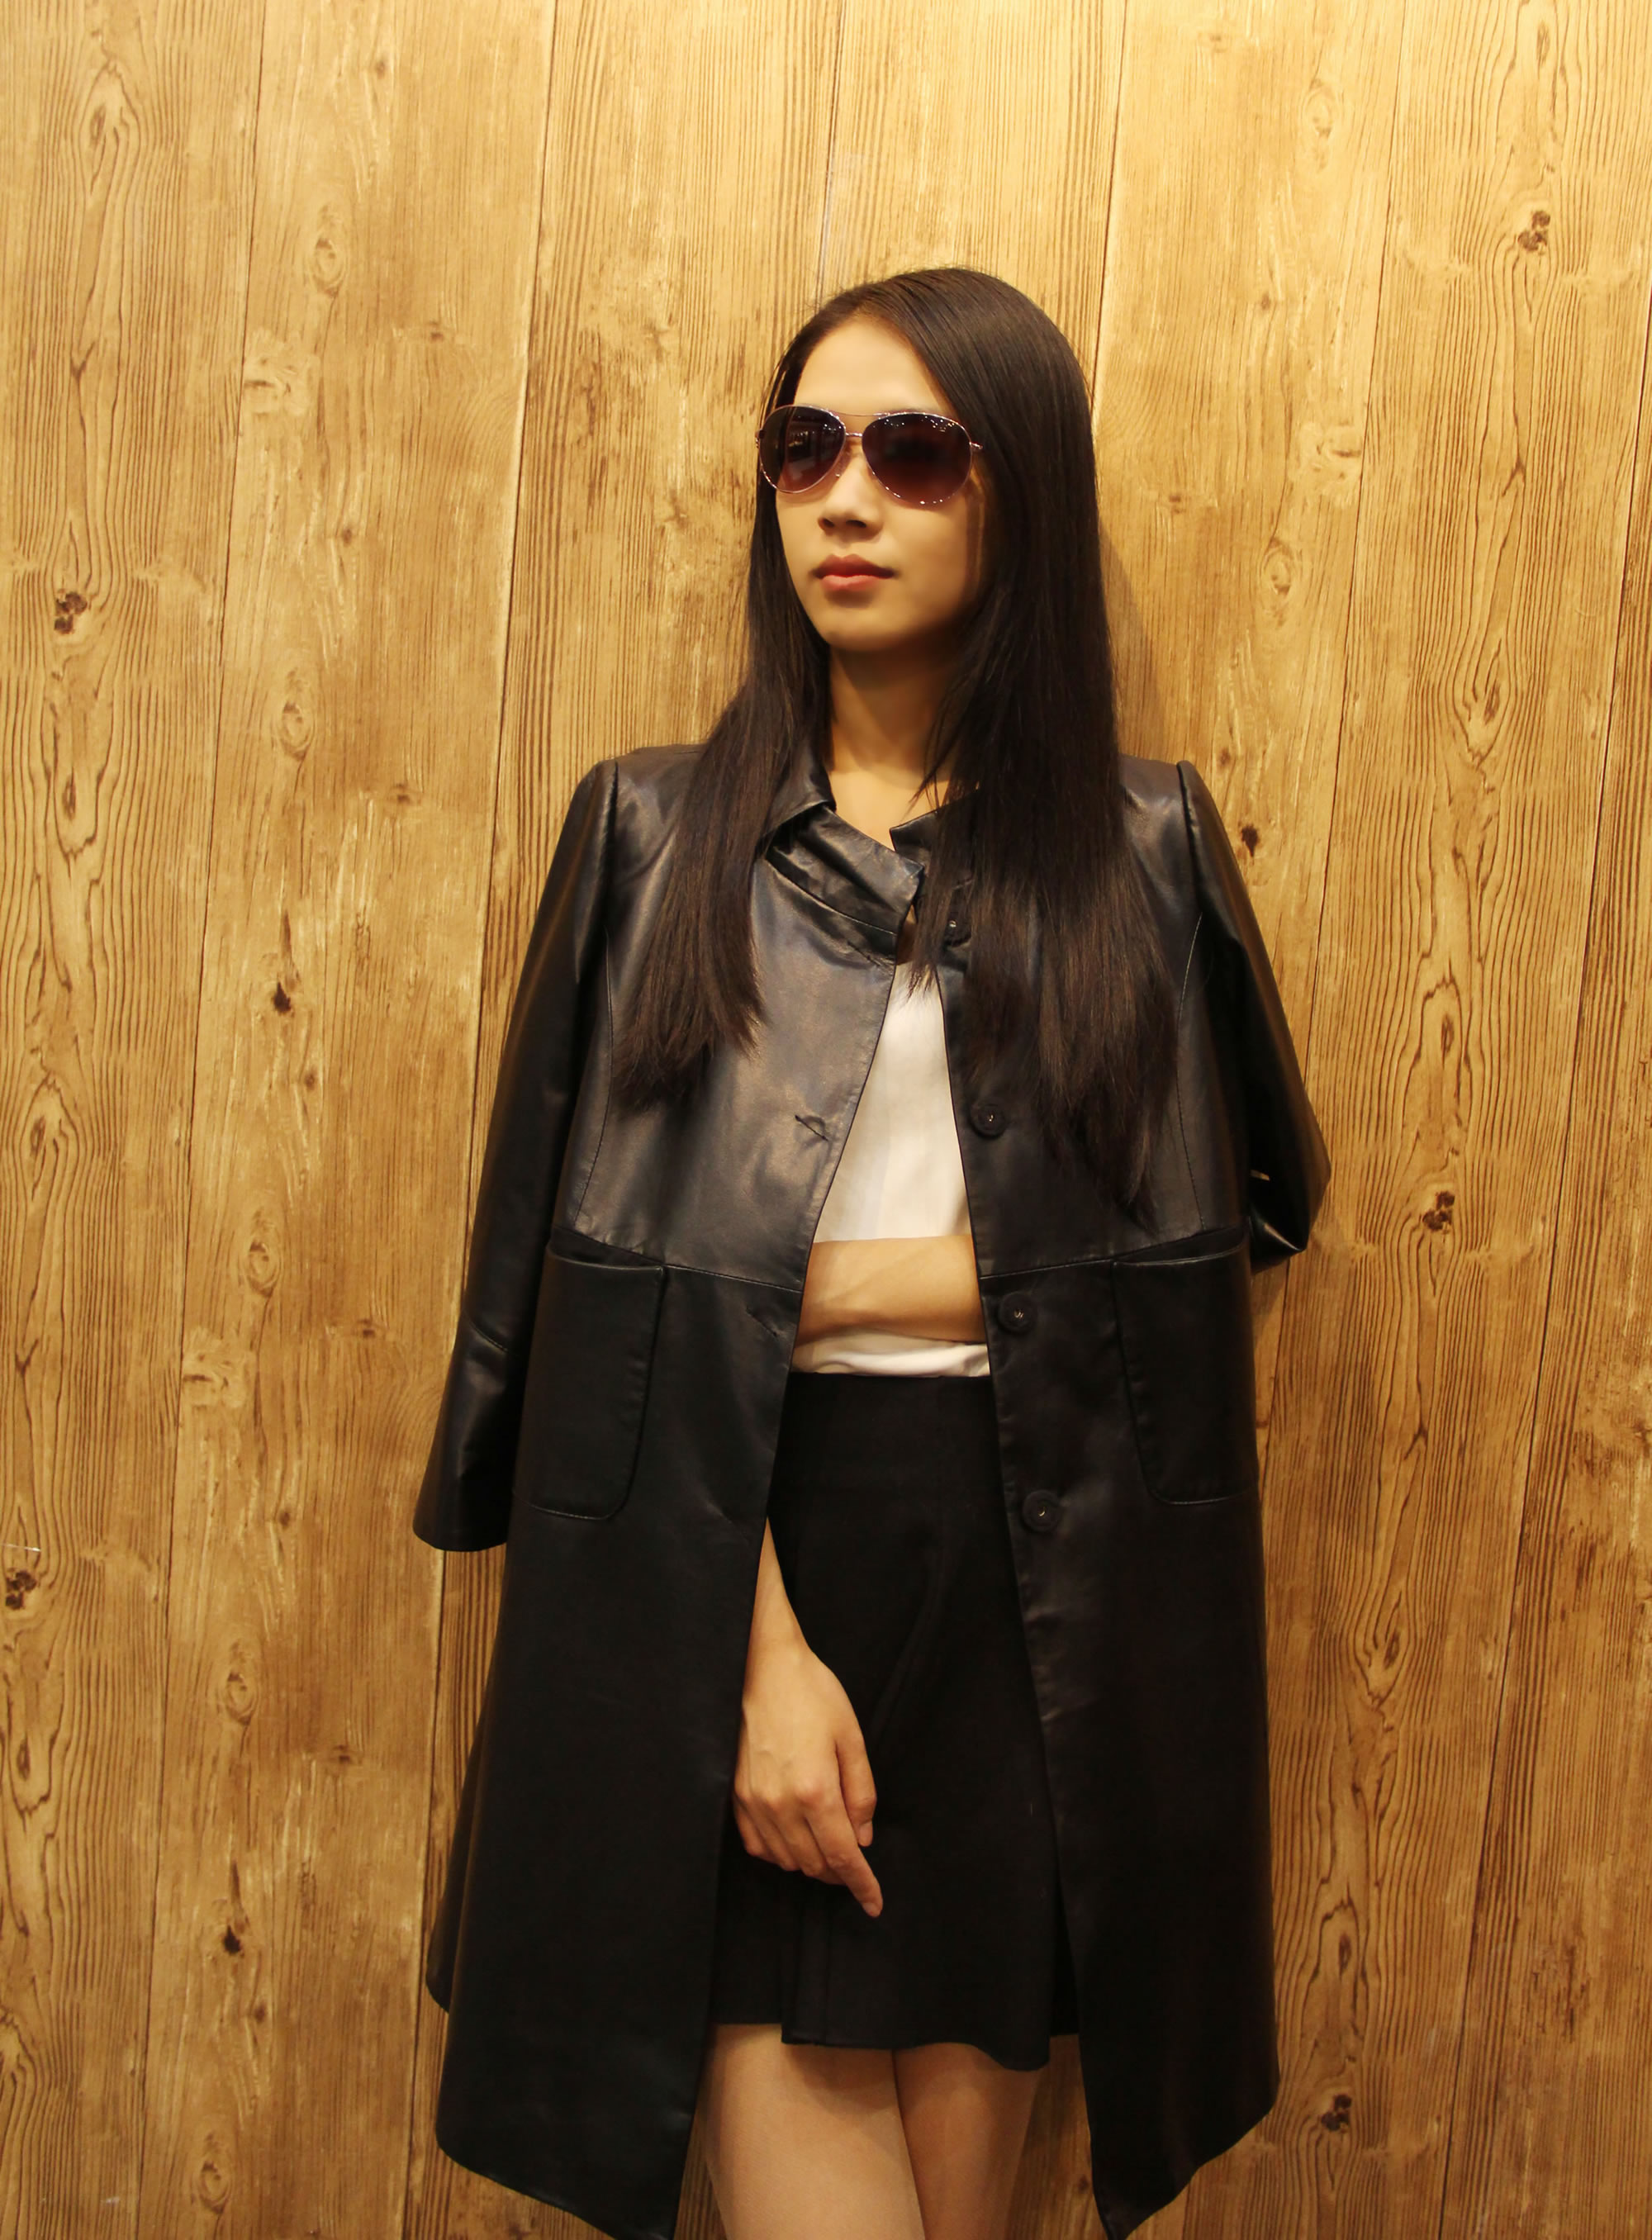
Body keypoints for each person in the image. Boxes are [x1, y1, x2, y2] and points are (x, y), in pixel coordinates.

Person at [414, 267, 1330, 2240]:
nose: (843, 497)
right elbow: (572, 1279)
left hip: (1032, 1592)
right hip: (723, 1559)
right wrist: (751, 1666)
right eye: (803, 448)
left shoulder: (1140, 850)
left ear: (1021, 496)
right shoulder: (652, 837)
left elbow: (1232, 1221)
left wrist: (850, 1285)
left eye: (913, 454)